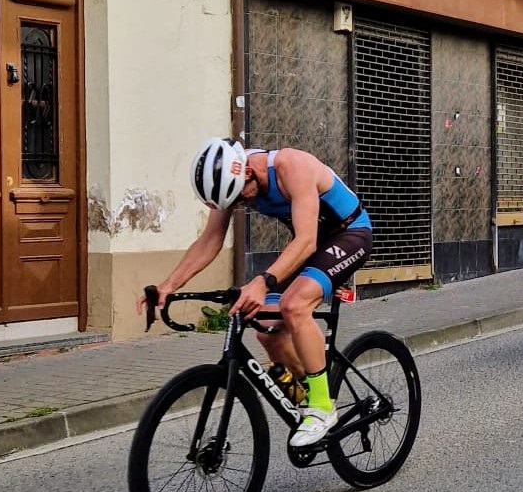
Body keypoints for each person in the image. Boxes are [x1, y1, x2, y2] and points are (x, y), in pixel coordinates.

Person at [144, 139, 373, 450]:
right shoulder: (234, 182)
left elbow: (306, 241)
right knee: (265, 326)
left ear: (249, 171)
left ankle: (322, 407)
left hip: (349, 235)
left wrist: (263, 282)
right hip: (311, 243)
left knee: (294, 306)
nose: (241, 205)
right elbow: (210, 241)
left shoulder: (293, 166)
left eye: (241, 197)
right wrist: (169, 285)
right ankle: (308, 391)